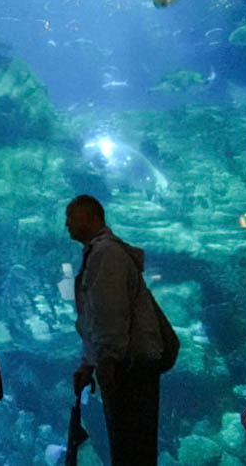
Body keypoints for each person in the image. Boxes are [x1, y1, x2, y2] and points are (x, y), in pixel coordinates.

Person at [65, 195, 163, 466]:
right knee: (129, 447)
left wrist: (106, 360)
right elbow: (95, 317)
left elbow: (110, 313)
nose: (66, 224)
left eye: (71, 216)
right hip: (125, 364)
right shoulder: (100, 253)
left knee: (132, 448)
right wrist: (88, 363)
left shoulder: (106, 254)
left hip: (129, 367)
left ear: (91, 217)